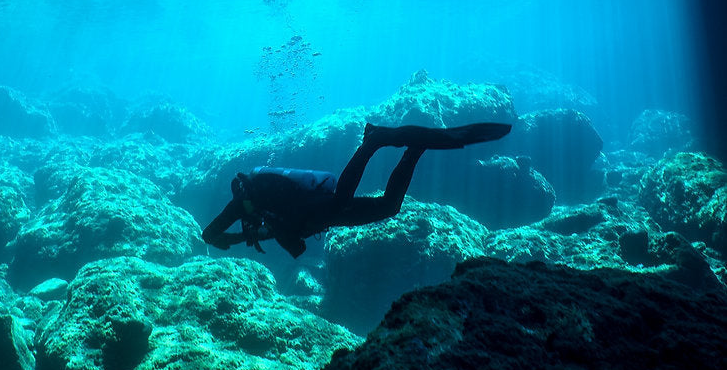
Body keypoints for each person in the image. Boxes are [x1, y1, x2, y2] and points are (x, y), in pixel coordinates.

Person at [202, 122, 512, 257]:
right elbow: (267, 233)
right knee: (388, 208)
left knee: (339, 202)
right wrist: (234, 238)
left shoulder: (245, 202)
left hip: (319, 208)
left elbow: (210, 232)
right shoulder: (256, 218)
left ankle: (373, 141)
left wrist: (220, 238)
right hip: (319, 217)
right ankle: (415, 150)